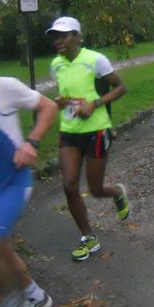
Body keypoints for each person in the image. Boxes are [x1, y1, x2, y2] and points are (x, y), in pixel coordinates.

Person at [46, 16, 130, 262]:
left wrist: (95, 104)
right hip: (69, 130)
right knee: (69, 186)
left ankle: (116, 194)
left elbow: (120, 87)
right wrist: (60, 102)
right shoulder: (56, 64)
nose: (59, 41)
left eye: (64, 35)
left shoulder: (95, 60)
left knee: (95, 189)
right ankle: (88, 238)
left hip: (96, 130)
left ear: (78, 37)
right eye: (55, 37)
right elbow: (65, 95)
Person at [0, 76, 57, 307]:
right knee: (0, 247)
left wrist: (31, 142)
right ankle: (35, 295)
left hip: (12, 185)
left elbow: (49, 106)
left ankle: (14, 303)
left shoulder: (1, 88)